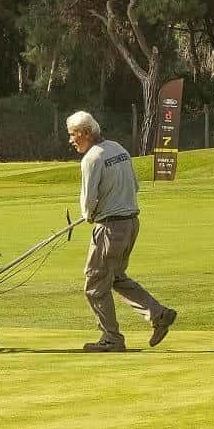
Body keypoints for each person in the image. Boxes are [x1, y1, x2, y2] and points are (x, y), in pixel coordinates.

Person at [66, 110, 177, 352]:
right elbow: (135, 185)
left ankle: (111, 338)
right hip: (130, 223)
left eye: (73, 135)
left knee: (95, 284)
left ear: (85, 133)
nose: (71, 140)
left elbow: (88, 202)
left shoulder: (91, 159)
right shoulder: (118, 148)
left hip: (110, 227)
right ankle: (158, 315)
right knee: (115, 277)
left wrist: (89, 216)